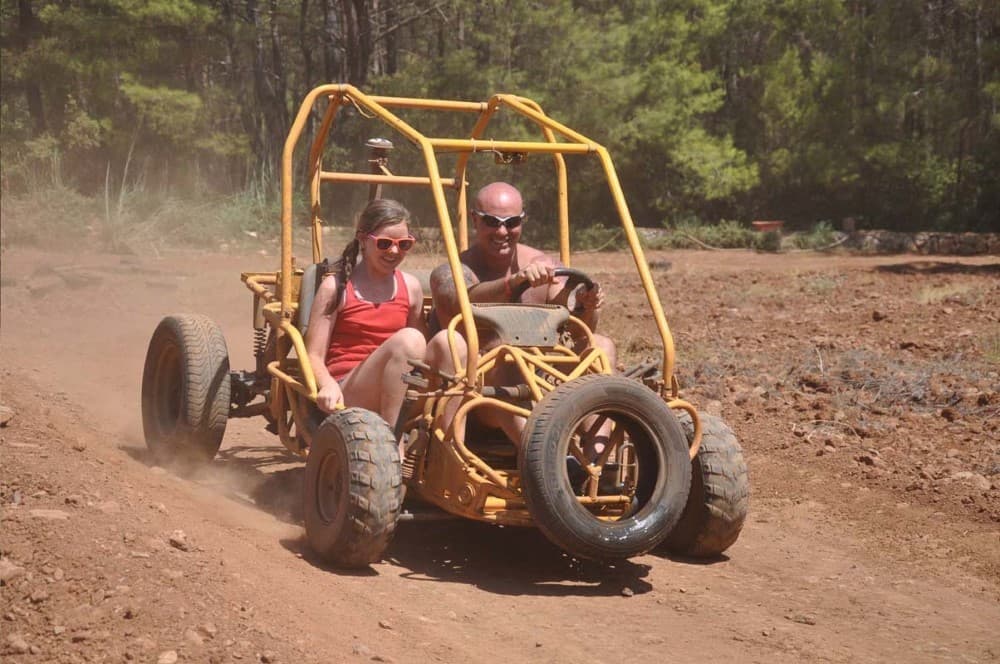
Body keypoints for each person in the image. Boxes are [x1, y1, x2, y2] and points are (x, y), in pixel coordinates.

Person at [426, 182, 616, 449]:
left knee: (601, 347)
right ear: (474, 220)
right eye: (492, 222)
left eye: (512, 222)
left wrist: (586, 304)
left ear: (522, 221)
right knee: (509, 360)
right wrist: (513, 282)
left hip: (542, 384)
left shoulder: (543, 264)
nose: (502, 231)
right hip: (479, 397)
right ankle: (543, 458)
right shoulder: (452, 272)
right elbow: (461, 301)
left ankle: (597, 460)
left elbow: (577, 329)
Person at [304, 198, 427, 433]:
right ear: (363, 239)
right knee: (408, 340)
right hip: (349, 389)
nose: (394, 251)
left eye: (404, 244)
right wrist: (327, 384)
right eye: (384, 243)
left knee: (453, 344)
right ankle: (391, 440)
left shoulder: (411, 287)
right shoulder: (336, 287)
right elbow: (313, 354)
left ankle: (450, 444)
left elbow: (424, 354)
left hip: (400, 388)